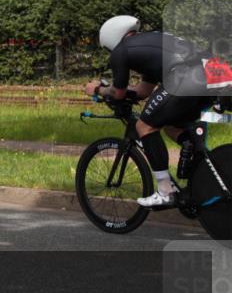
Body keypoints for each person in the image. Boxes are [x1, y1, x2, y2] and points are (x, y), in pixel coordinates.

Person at [84, 15, 216, 208]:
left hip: (185, 76)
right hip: (213, 74)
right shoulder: (148, 44)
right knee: (170, 125)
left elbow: (118, 93)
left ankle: (165, 192)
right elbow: (143, 91)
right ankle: (193, 150)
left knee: (144, 126)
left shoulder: (121, 51)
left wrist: (97, 89)